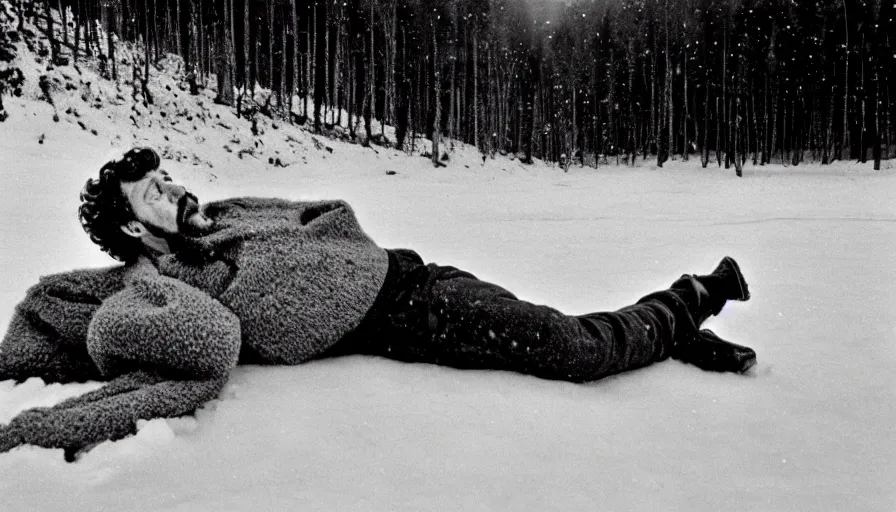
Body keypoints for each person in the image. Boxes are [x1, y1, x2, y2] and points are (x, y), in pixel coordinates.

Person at [0, 147, 756, 459]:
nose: (173, 188)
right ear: (133, 226)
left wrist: (332, 261)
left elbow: (326, 214)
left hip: (412, 278)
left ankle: (679, 317)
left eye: (165, 178)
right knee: (573, 350)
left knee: (570, 343)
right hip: (399, 319)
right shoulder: (152, 292)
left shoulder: (223, 215)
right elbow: (191, 354)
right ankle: (690, 305)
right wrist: (32, 430)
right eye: (153, 194)